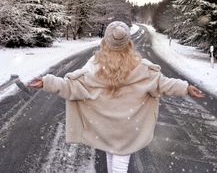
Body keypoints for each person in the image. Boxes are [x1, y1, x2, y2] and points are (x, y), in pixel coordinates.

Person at [28, 21, 205, 173]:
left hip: (106, 128)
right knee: (119, 164)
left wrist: (47, 82)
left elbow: (71, 86)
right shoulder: (142, 69)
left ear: (105, 42)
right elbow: (164, 84)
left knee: (113, 160)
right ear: (129, 44)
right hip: (129, 129)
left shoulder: (95, 66)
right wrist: (186, 88)